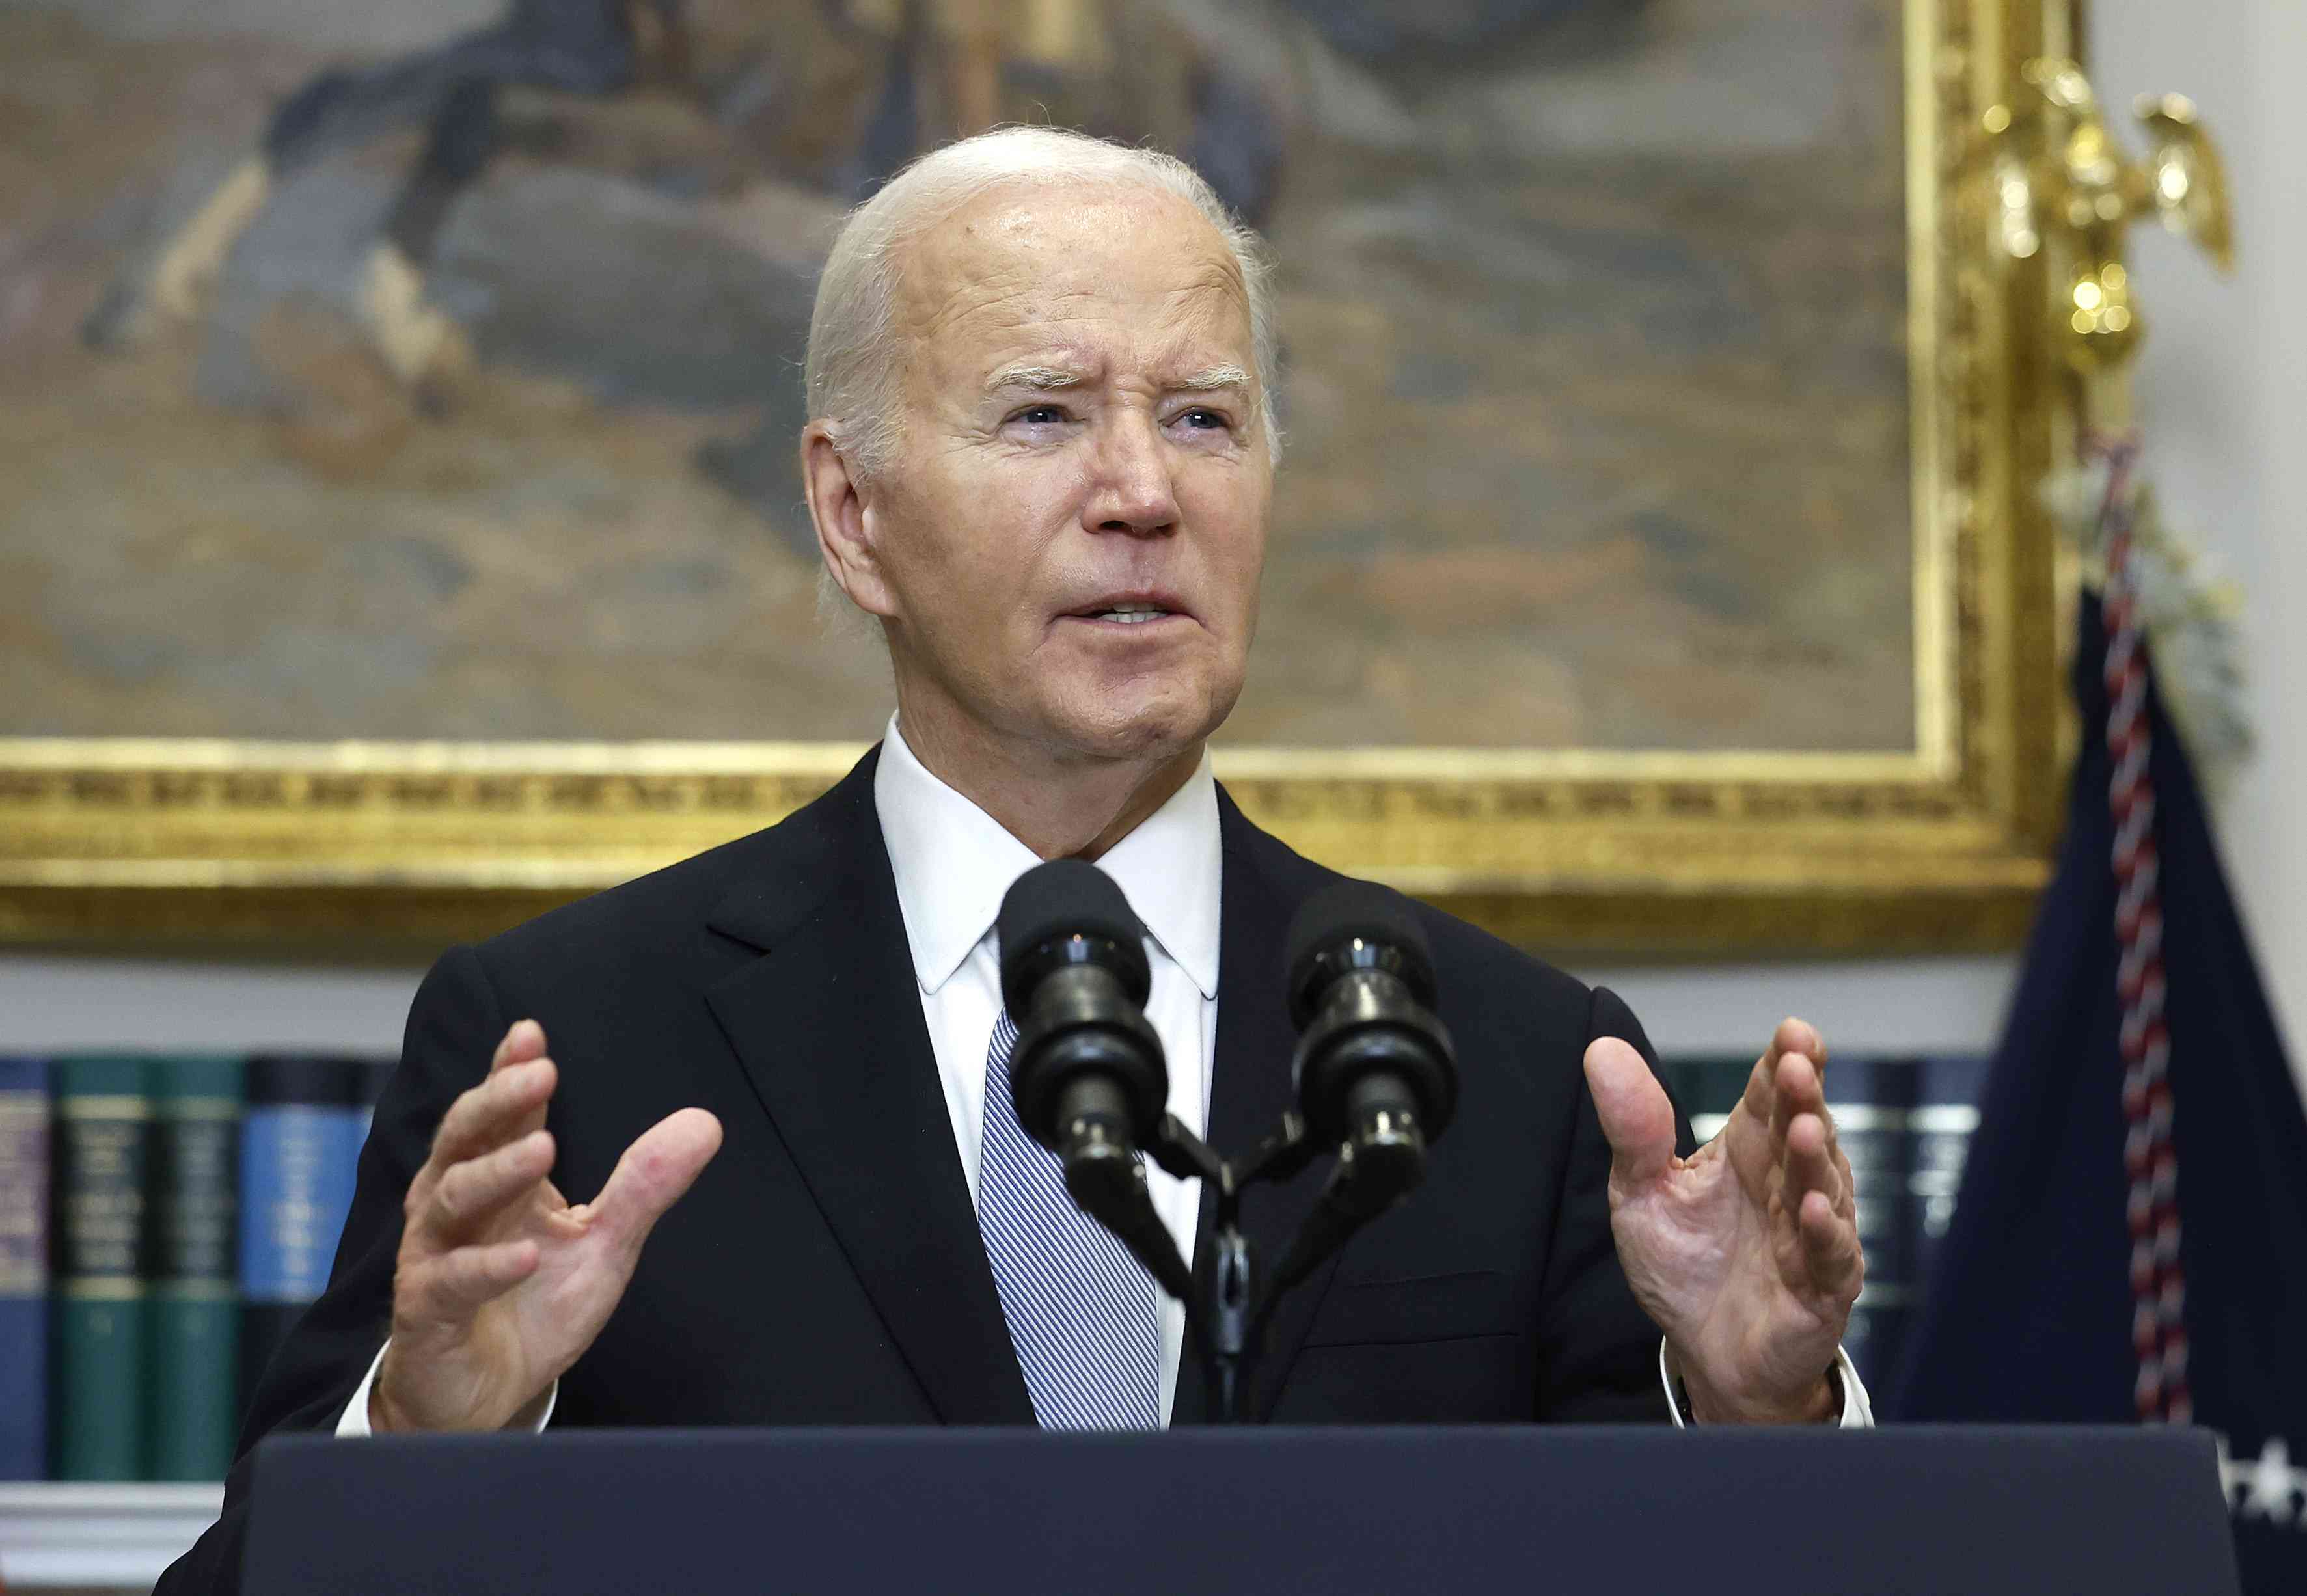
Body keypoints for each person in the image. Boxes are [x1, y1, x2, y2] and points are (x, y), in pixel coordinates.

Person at [157, 126, 1867, 1593]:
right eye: (1044, 415)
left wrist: (1752, 1410)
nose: (1141, 491)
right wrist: (432, 1431)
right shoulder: (574, 1045)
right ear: (854, 516)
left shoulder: (1506, 1060)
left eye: (1201, 419)